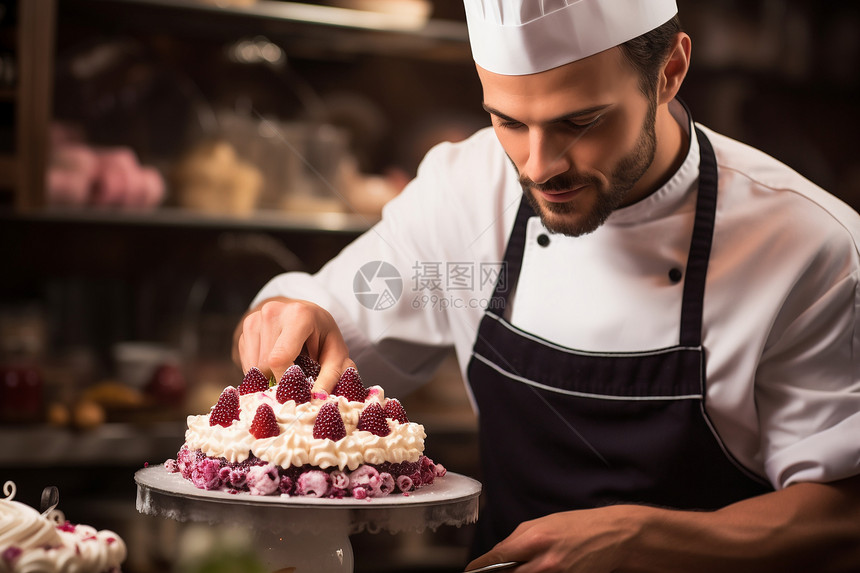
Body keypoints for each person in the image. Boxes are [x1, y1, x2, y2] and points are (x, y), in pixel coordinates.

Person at [233, 1, 860, 570]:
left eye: (579, 122)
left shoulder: (812, 247)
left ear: (669, 72)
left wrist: (646, 542)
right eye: (508, 121)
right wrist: (286, 318)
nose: (538, 166)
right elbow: (319, 324)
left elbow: (844, 512)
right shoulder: (464, 189)